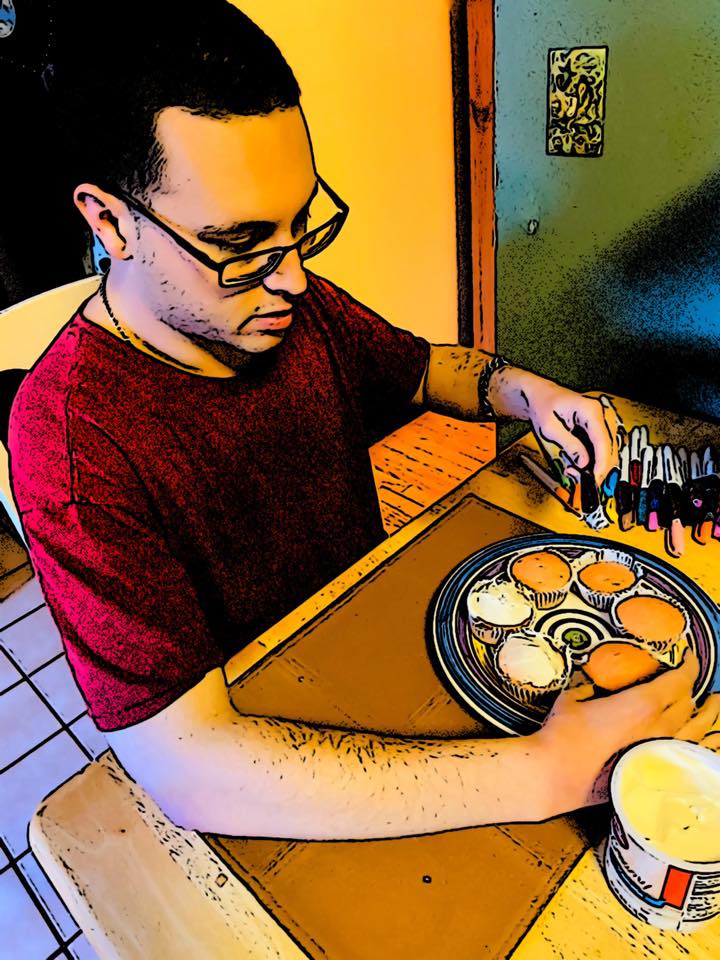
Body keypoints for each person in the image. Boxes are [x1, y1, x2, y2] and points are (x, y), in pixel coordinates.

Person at [8, 1, 719, 841]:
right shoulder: (72, 442)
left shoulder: (288, 308)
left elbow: (424, 369)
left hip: (380, 643)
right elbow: (190, 770)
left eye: (300, 226)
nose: (293, 279)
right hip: (275, 762)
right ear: (109, 222)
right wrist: (548, 773)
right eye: (240, 246)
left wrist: (529, 394)